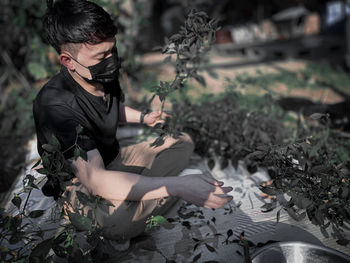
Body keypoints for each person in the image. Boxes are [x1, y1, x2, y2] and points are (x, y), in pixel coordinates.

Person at [33, 0, 233, 245]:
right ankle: (165, 189)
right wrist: (176, 187)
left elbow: (110, 107)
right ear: (68, 61)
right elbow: (95, 179)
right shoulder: (55, 106)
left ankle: (143, 191)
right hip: (79, 185)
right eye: (101, 55)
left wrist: (143, 118)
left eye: (112, 49)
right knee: (117, 224)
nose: (111, 59)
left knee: (182, 141)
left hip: (115, 160)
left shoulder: (103, 74)